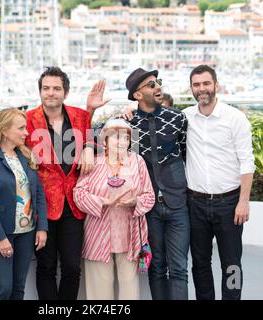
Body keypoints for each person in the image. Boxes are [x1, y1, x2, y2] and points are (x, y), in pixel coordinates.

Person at [25, 66, 108, 300]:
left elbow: (92, 136)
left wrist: (89, 148)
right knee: (46, 267)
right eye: (46, 88)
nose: (51, 93)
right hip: (42, 205)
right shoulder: (28, 120)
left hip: (73, 204)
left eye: (56, 88)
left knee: (72, 267)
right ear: (40, 91)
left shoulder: (80, 116)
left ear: (66, 92)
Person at [183, 65, 255, 300]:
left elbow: (247, 162)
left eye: (206, 83)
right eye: (196, 85)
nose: (201, 89)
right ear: (192, 88)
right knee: (200, 264)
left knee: (232, 264)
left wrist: (244, 201)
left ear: (216, 85)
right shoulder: (185, 118)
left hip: (229, 204)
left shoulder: (235, 118)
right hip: (195, 204)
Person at [118, 68, 190, 300]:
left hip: (178, 203)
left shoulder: (178, 118)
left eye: (157, 82)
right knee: (156, 266)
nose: (158, 87)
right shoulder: (126, 124)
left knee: (179, 267)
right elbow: (98, 136)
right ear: (137, 95)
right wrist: (89, 147)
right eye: (151, 85)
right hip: (147, 207)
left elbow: (186, 152)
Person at [73, 118, 155, 299]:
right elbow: (78, 194)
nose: (122, 142)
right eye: (116, 137)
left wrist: (135, 202)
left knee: (130, 292)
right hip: (97, 236)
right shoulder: (93, 162)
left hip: (130, 236)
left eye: (125, 138)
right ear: (105, 141)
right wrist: (103, 202)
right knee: (98, 293)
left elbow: (149, 196)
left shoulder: (137, 161)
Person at [0, 108, 48, 300]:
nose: (26, 132)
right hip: (1, 234)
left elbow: (38, 194)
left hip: (27, 232)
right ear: (5, 130)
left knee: (18, 288)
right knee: (3, 288)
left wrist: (42, 227)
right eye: (21, 128)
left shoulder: (27, 157)